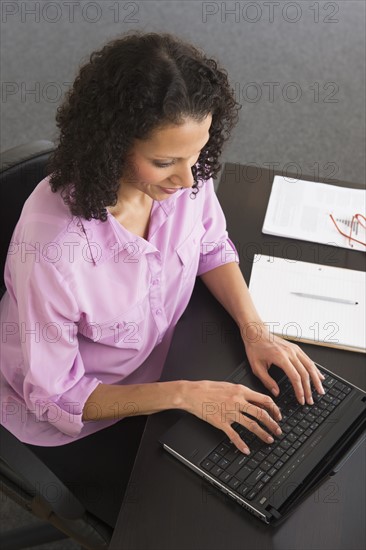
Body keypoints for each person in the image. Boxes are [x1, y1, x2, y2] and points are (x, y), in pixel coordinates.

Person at [0, 31, 325, 527]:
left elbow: (210, 244)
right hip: (89, 410)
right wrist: (182, 394)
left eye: (196, 157)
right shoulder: (55, 251)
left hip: (172, 354)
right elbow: (57, 397)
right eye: (165, 162)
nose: (188, 181)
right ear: (108, 145)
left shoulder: (186, 175)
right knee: (211, 519)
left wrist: (253, 328)